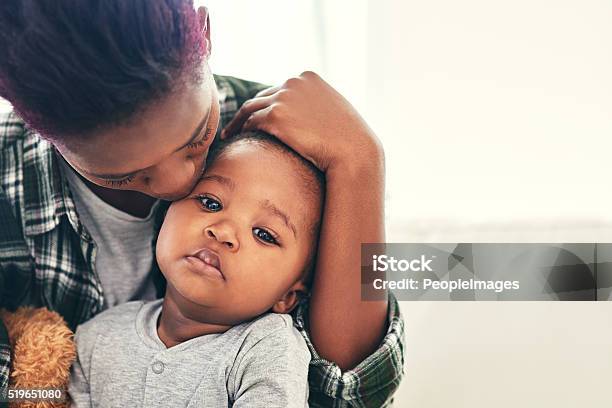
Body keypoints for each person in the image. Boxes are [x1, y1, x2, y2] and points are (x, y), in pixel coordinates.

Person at [0, 1, 404, 406]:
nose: (182, 184)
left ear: (205, 32)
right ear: (33, 125)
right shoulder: (9, 178)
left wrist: (361, 161)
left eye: (197, 138)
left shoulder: (285, 149)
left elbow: (348, 395)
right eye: (125, 175)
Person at [68, 131, 323, 407]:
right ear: (166, 212)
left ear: (287, 296)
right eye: (211, 203)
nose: (223, 231)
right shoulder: (97, 336)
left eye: (263, 234)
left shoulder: (267, 348)